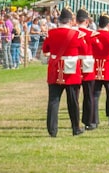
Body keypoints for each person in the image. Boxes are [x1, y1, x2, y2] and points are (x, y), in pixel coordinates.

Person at [42, 8, 87, 137]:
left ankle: (52, 130)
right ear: (70, 21)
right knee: (73, 101)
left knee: (53, 101)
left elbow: (45, 48)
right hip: (71, 70)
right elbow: (84, 50)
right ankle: (75, 127)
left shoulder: (51, 33)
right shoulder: (77, 34)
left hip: (55, 70)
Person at [75, 10, 98, 130]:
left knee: (74, 96)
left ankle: (76, 122)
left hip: (73, 66)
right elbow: (99, 47)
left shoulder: (73, 32)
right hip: (87, 66)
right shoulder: (90, 33)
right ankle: (89, 121)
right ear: (87, 21)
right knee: (88, 95)